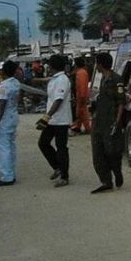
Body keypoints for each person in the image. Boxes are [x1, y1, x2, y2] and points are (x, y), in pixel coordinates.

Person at [90, 52, 125, 193]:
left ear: (100, 64)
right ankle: (106, 181)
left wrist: (117, 122)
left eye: (97, 63)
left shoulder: (116, 79)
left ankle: (117, 171)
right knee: (98, 152)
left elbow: (121, 102)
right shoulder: (102, 79)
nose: (96, 66)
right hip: (99, 120)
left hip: (111, 121)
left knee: (112, 151)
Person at [37, 54, 73, 187]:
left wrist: (46, 117)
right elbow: (47, 80)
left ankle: (64, 176)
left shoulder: (62, 79)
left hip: (61, 120)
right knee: (43, 143)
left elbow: (58, 100)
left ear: (51, 66)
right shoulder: (55, 78)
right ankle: (58, 167)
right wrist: (37, 80)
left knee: (61, 148)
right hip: (52, 119)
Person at [0, 60, 21, 186]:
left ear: (3, 72)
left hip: (5, 118)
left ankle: (6, 176)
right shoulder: (16, 83)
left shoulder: (4, 85)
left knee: (4, 148)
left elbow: (2, 105)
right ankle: (11, 173)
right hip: (13, 115)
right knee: (11, 146)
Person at [70, 56, 92, 135]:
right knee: (80, 113)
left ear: (76, 65)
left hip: (81, 96)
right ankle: (78, 127)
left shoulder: (80, 73)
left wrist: (82, 97)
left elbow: (81, 86)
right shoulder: (82, 72)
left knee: (82, 113)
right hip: (81, 96)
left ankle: (86, 128)